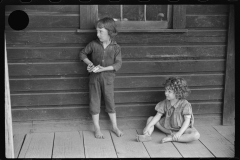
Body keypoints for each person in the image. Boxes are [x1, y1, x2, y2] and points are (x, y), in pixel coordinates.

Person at [79, 17, 123, 139]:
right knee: (94, 102)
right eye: (97, 31)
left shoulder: (116, 47)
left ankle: (114, 126)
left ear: (110, 32)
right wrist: (90, 64)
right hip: (94, 79)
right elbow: (82, 53)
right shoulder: (93, 44)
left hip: (108, 80)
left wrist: (103, 69)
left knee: (110, 102)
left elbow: (118, 64)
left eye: (101, 31)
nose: (98, 34)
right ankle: (97, 128)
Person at [136, 77, 200, 143]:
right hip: (167, 128)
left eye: (169, 91)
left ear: (178, 93)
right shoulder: (165, 102)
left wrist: (180, 133)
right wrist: (148, 126)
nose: (166, 93)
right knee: (150, 119)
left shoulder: (185, 104)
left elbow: (187, 121)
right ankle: (147, 135)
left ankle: (172, 138)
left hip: (182, 129)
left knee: (196, 135)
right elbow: (158, 116)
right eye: (166, 90)